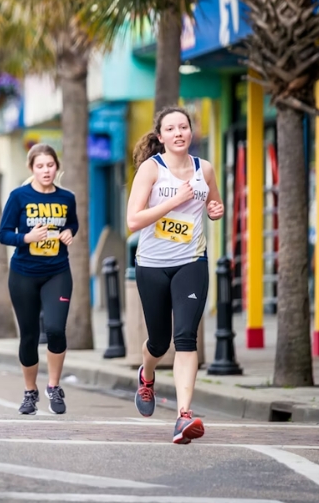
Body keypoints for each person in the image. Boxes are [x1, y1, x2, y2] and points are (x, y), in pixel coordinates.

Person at [126, 106, 224, 445]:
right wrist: (173, 201)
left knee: (185, 338)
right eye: (172, 128)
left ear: (191, 132)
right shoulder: (151, 170)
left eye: (184, 127)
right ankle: (147, 374)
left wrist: (215, 211)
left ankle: (183, 416)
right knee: (158, 341)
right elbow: (133, 221)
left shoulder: (204, 169)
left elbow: (213, 206)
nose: (179, 133)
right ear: (160, 136)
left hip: (191, 262)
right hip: (152, 264)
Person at [0, 144, 77, 416]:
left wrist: (68, 233)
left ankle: (53, 386)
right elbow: (4, 234)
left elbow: (73, 223)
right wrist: (26, 238)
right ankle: (30, 391)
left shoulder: (67, 198)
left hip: (57, 271)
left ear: (57, 167)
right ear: (31, 168)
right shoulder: (19, 197)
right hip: (23, 274)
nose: (46, 171)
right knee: (29, 336)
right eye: (40, 166)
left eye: (50, 165)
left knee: (55, 328)